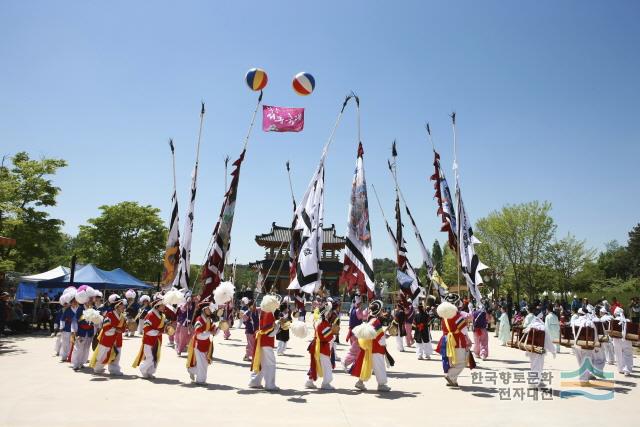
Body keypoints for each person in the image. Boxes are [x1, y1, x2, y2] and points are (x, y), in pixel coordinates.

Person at [350, 300, 391, 392]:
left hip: (370, 348)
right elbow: (380, 338)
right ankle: (381, 384)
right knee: (379, 367)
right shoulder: (376, 321)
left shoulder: (370, 320)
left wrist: (383, 335)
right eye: (381, 310)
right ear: (379, 310)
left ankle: (360, 382)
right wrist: (385, 341)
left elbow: (376, 334)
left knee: (368, 366)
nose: (382, 311)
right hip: (376, 349)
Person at [436, 294, 470, 387]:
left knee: (450, 361)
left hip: (446, 340)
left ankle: (453, 380)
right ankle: (450, 376)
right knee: (461, 362)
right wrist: (468, 340)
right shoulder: (457, 316)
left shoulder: (444, 317)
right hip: (457, 340)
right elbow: (464, 331)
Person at [249, 294, 280, 391]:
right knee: (271, 363)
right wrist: (278, 326)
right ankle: (270, 384)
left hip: (261, 340)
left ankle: (254, 381)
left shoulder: (263, 312)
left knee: (261, 361)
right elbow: (269, 331)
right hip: (267, 341)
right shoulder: (269, 313)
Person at [132, 294, 167, 379]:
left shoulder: (162, 315)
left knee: (155, 357)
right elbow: (146, 329)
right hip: (149, 340)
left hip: (157, 340)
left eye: (163, 305)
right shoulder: (150, 315)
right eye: (162, 305)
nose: (163, 307)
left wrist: (166, 328)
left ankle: (150, 372)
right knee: (150, 357)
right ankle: (143, 370)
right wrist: (157, 332)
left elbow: (162, 327)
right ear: (157, 306)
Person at [90, 296, 127, 375]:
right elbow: (106, 326)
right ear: (117, 306)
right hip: (107, 338)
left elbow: (123, 327)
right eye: (122, 305)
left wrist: (125, 328)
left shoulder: (123, 316)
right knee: (103, 354)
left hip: (118, 338)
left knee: (117, 354)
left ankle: (114, 369)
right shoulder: (109, 314)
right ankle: (98, 367)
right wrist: (116, 330)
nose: (124, 306)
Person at [186, 300, 218, 385]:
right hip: (198, 344)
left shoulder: (209, 319)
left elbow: (213, 330)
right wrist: (210, 333)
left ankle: (191, 370)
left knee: (205, 363)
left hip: (206, 344)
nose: (210, 310)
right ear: (204, 309)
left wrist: (220, 327)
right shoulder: (199, 319)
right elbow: (198, 334)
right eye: (208, 308)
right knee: (201, 363)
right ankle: (200, 380)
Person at [305, 302, 335, 390]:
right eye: (329, 312)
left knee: (318, 365)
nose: (330, 314)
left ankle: (309, 381)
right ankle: (326, 383)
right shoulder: (323, 323)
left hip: (318, 347)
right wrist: (334, 332)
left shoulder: (320, 322)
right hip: (322, 348)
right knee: (327, 366)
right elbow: (329, 338)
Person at [522, 314, 556, 387]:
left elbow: (524, 332)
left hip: (531, 348)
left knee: (533, 364)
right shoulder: (543, 327)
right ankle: (534, 382)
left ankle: (533, 382)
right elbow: (548, 341)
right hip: (540, 349)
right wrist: (553, 351)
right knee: (539, 366)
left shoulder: (531, 326)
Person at [71, 287, 97, 371]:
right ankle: (75, 364)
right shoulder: (80, 309)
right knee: (78, 347)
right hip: (81, 331)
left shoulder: (93, 309)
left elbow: (95, 320)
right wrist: (74, 332)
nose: (91, 300)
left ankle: (82, 363)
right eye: (89, 299)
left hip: (89, 331)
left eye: (91, 299)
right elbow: (75, 320)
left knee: (86, 347)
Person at [343, 294, 367, 370]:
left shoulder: (353, 309)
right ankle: (345, 362)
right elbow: (364, 317)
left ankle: (355, 366)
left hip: (353, 333)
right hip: (355, 334)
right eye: (361, 303)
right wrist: (368, 311)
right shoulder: (357, 310)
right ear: (359, 303)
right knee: (355, 351)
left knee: (358, 351)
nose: (362, 304)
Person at [611, 307, 634, 376]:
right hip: (627, 340)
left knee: (618, 354)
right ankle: (627, 370)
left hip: (616, 340)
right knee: (627, 354)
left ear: (615, 314)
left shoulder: (613, 320)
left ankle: (620, 369)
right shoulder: (628, 321)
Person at [60, 294, 81, 362]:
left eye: (76, 301)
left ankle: (71, 356)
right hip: (67, 328)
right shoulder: (68, 309)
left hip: (77, 328)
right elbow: (62, 319)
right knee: (65, 343)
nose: (74, 303)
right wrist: (61, 327)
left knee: (74, 343)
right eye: (73, 301)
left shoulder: (80, 309)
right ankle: (64, 356)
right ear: (71, 302)